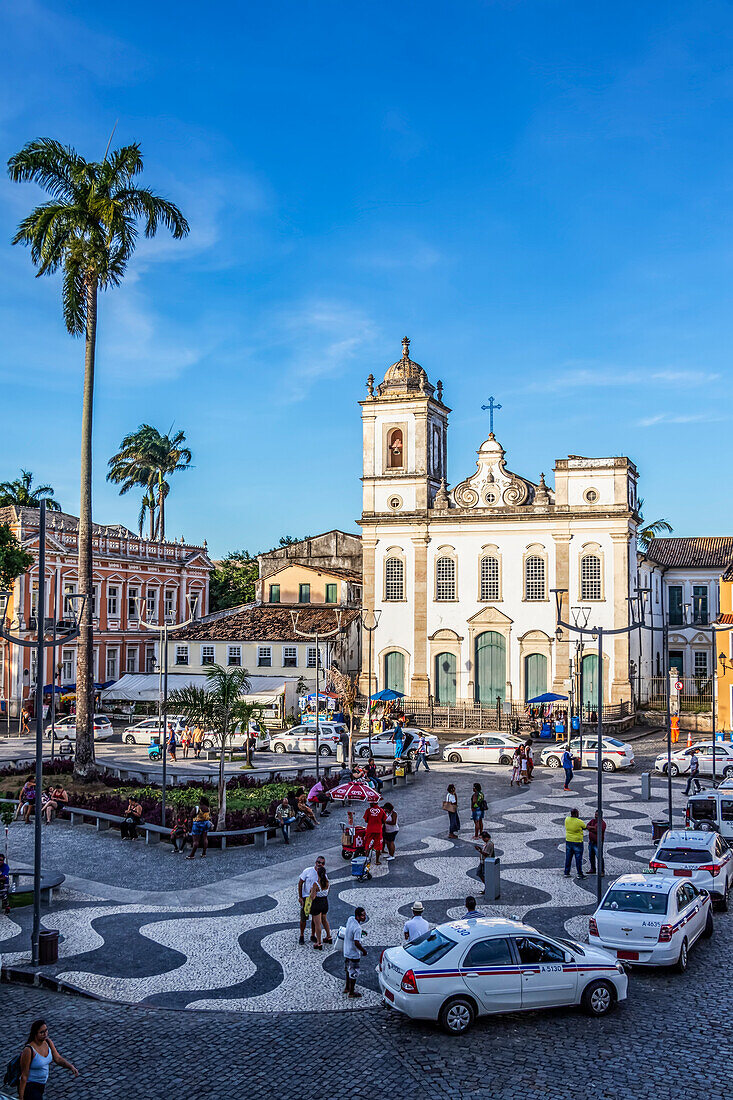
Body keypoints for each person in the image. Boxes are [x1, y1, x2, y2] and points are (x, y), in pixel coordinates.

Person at [17, 1018, 78, 1100]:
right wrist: (21, 1097)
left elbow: (58, 1059)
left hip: (41, 1085)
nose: (45, 1034)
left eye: (46, 1031)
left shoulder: (48, 1042)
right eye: (41, 1032)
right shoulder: (29, 1050)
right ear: (35, 1034)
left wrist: (70, 1066)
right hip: (30, 1086)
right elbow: (24, 1075)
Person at [298, 856, 326, 944]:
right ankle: (301, 935)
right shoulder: (308, 871)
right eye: (318, 862)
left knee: (315, 919)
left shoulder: (323, 873)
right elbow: (300, 883)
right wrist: (300, 897)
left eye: (322, 863)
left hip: (316, 899)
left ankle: (313, 935)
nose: (319, 864)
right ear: (315, 862)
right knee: (303, 918)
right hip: (306, 897)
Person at [342, 906, 368, 998]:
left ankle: (346, 987)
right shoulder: (357, 928)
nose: (364, 917)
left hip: (346, 951)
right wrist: (364, 951)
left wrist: (361, 931)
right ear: (357, 916)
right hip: (354, 954)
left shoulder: (350, 919)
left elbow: (350, 930)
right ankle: (352, 992)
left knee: (347, 969)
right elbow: (357, 943)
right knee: (354, 972)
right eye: (362, 916)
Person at [310, 864, 333, 949]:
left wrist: (312, 890)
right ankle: (329, 936)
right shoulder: (327, 882)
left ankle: (319, 942)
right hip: (325, 903)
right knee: (325, 920)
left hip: (317, 904)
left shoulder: (316, 884)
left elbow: (313, 897)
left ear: (318, 874)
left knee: (317, 924)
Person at [564, 808, 586, 878]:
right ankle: (579, 873)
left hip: (568, 840)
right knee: (578, 858)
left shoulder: (567, 819)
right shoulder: (579, 821)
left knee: (568, 857)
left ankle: (566, 872)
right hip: (577, 841)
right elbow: (585, 827)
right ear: (576, 814)